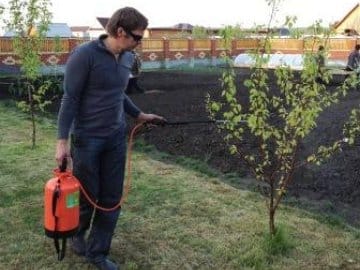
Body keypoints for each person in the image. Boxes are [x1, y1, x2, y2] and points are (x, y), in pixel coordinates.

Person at [55, 7, 164, 270]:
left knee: (111, 199)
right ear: (120, 32)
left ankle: (98, 253)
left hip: (115, 138)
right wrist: (62, 143)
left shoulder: (127, 58)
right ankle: (77, 233)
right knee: (88, 195)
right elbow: (70, 99)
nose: (139, 43)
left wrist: (139, 115)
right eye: (137, 37)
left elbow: (118, 93)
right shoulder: (84, 56)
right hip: (87, 139)